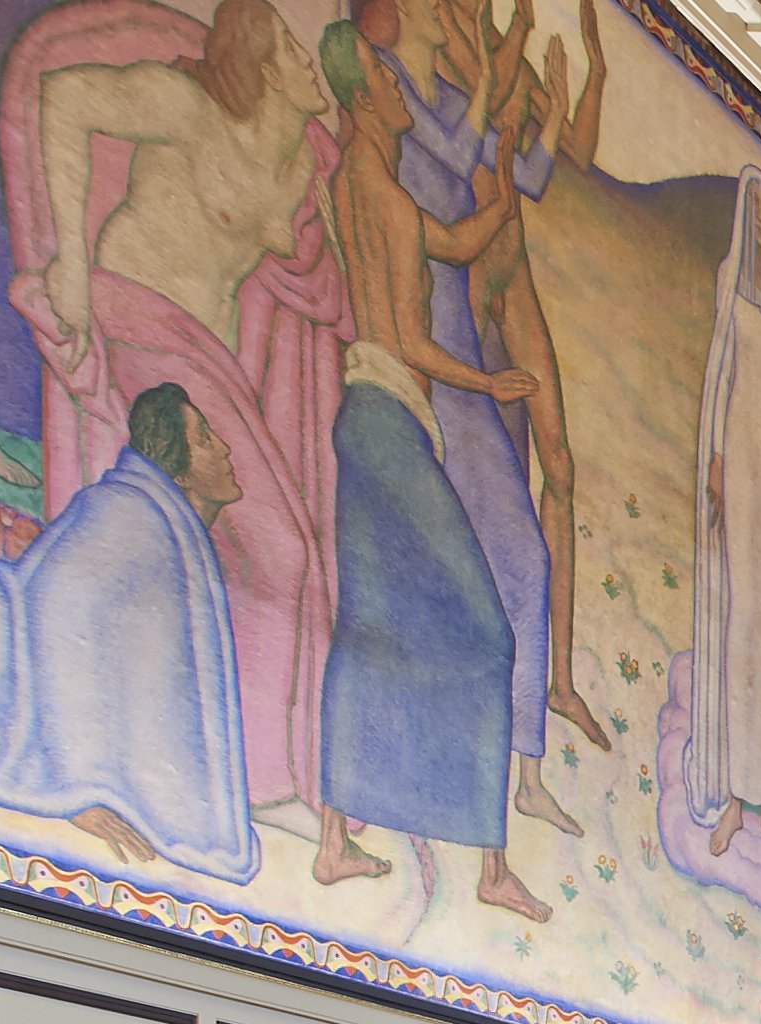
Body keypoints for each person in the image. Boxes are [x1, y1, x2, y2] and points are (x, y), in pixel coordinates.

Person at [9, 0, 362, 861]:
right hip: (136, 322)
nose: (308, 60)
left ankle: (241, 777)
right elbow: (63, 98)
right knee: (265, 555)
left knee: (258, 561)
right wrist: (73, 271)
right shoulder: (186, 107)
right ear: (259, 59)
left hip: (207, 360)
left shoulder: (292, 176)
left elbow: (311, 284)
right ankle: (201, 775)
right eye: (290, 45)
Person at [313, 15, 541, 918]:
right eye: (385, 76)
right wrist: (490, 380)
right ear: (362, 97)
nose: (400, 86)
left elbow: (451, 242)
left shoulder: (355, 182)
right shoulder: (386, 192)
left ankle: (335, 840)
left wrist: (503, 196)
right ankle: (490, 867)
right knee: (486, 633)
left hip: (360, 416)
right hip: (391, 418)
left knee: (370, 622)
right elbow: (411, 337)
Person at [357, 0, 576, 830]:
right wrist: (492, 76)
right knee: (486, 573)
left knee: (520, 566)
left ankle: (523, 778)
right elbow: (455, 199)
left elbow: (524, 179)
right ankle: (466, 776)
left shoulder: (433, 106)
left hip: (464, 365)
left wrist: (546, 115)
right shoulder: (392, 108)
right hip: (431, 372)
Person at [0, 381, 257, 877]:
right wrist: (78, 789)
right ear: (176, 467)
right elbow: (57, 622)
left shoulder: (156, 520)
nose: (223, 448)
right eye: (204, 438)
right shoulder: (125, 516)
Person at [689, 167, 761, 860]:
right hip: (742, 465)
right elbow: (720, 377)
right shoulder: (732, 281)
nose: (760, 224)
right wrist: (718, 462)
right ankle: (733, 797)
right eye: (754, 211)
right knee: (739, 630)